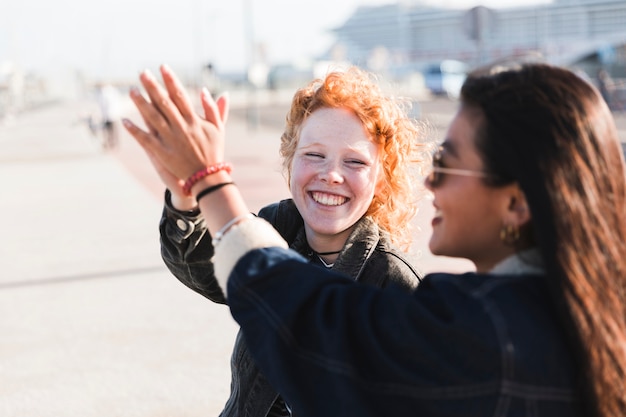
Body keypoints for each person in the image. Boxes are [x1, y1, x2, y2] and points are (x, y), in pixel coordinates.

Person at [123, 63, 626, 416]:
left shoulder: (488, 328)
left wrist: (211, 182)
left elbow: (314, 327)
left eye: (448, 163)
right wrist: (192, 197)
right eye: (313, 155)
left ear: (516, 203)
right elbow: (216, 270)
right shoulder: (570, 311)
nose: (432, 182)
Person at [141, 65, 424, 416]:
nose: (331, 175)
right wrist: (185, 197)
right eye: (314, 155)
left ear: (381, 180)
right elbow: (202, 265)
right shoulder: (274, 226)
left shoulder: (392, 281)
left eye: (354, 161)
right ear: (290, 159)